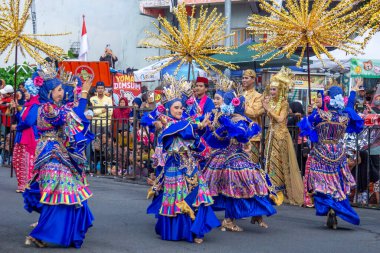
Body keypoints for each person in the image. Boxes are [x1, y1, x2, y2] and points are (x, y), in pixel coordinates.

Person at [22, 66, 94, 248]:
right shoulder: (48, 109)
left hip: (57, 151)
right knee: (59, 192)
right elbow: (74, 116)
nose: (62, 93)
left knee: (65, 191)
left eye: (62, 89)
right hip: (51, 153)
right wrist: (84, 93)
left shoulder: (52, 107)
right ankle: (41, 232)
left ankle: (51, 231)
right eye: (59, 90)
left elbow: (72, 110)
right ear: (49, 91)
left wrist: (80, 93)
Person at [143, 76, 220, 243]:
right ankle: (180, 231)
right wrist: (198, 124)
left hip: (190, 164)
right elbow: (182, 130)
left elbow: (194, 139)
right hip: (174, 167)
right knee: (178, 197)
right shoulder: (168, 124)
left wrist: (204, 136)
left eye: (181, 107)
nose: (179, 110)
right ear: (169, 109)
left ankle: (196, 230)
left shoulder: (185, 122)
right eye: (176, 107)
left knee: (198, 193)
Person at [203, 81, 278, 232]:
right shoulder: (231, 120)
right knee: (242, 186)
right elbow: (220, 139)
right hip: (232, 160)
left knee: (245, 184)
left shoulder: (234, 120)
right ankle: (229, 220)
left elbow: (229, 138)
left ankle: (255, 214)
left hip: (230, 157)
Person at [298, 83, 364, 229]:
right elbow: (350, 107)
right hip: (338, 151)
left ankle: (328, 207)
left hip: (322, 152)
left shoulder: (321, 115)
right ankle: (335, 208)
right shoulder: (344, 117)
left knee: (322, 183)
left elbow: (306, 124)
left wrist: (313, 110)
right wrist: (352, 93)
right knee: (337, 182)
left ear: (329, 99)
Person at [262, 67, 304, 206]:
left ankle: (280, 191)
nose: (272, 92)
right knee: (269, 161)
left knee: (280, 162)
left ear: (280, 90)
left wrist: (268, 109)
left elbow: (280, 119)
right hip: (271, 135)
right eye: (271, 89)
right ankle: (270, 189)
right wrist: (267, 106)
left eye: (274, 89)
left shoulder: (285, 104)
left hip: (280, 136)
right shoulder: (272, 102)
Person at [12, 78, 40, 193]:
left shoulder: (35, 105)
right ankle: (22, 184)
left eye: (27, 91)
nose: (25, 94)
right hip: (21, 136)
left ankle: (28, 185)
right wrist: (16, 110)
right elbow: (20, 118)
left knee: (28, 161)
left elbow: (29, 121)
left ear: (33, 92)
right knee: (17, 160)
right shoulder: (27, 105)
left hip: (29, 137)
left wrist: (17, 127)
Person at [242, 69, 264, 164]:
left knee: (252, 163)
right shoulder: (240, 94)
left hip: (253, 135)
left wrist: (241, 106)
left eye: (246, 78)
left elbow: (254, 113)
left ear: (253, 79)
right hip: (239, 133)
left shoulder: (258, 96)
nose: (243, 80)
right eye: (242, 78)